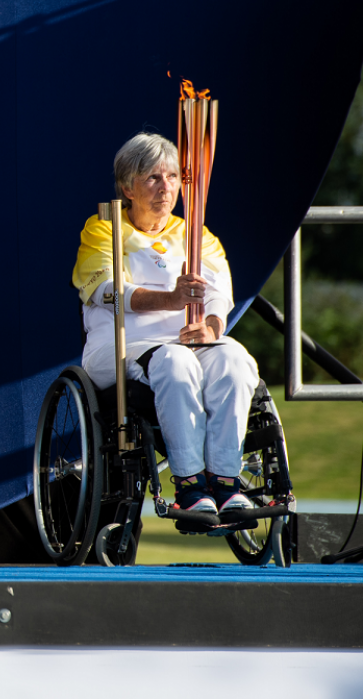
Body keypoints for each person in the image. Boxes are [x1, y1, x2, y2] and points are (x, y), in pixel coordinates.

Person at [72, 132, 257, 533]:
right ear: (127, 187)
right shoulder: (105, 229)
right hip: (118, 347)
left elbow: (219, 291)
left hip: (187, 345)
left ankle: (225, 481)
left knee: (236, 359)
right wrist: (171, 300)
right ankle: (190, 485)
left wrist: (210, 326)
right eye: (153, 177)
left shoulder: (195, 233)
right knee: (173, 361)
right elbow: (107, 292)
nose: (166, 187)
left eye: (173, 177)